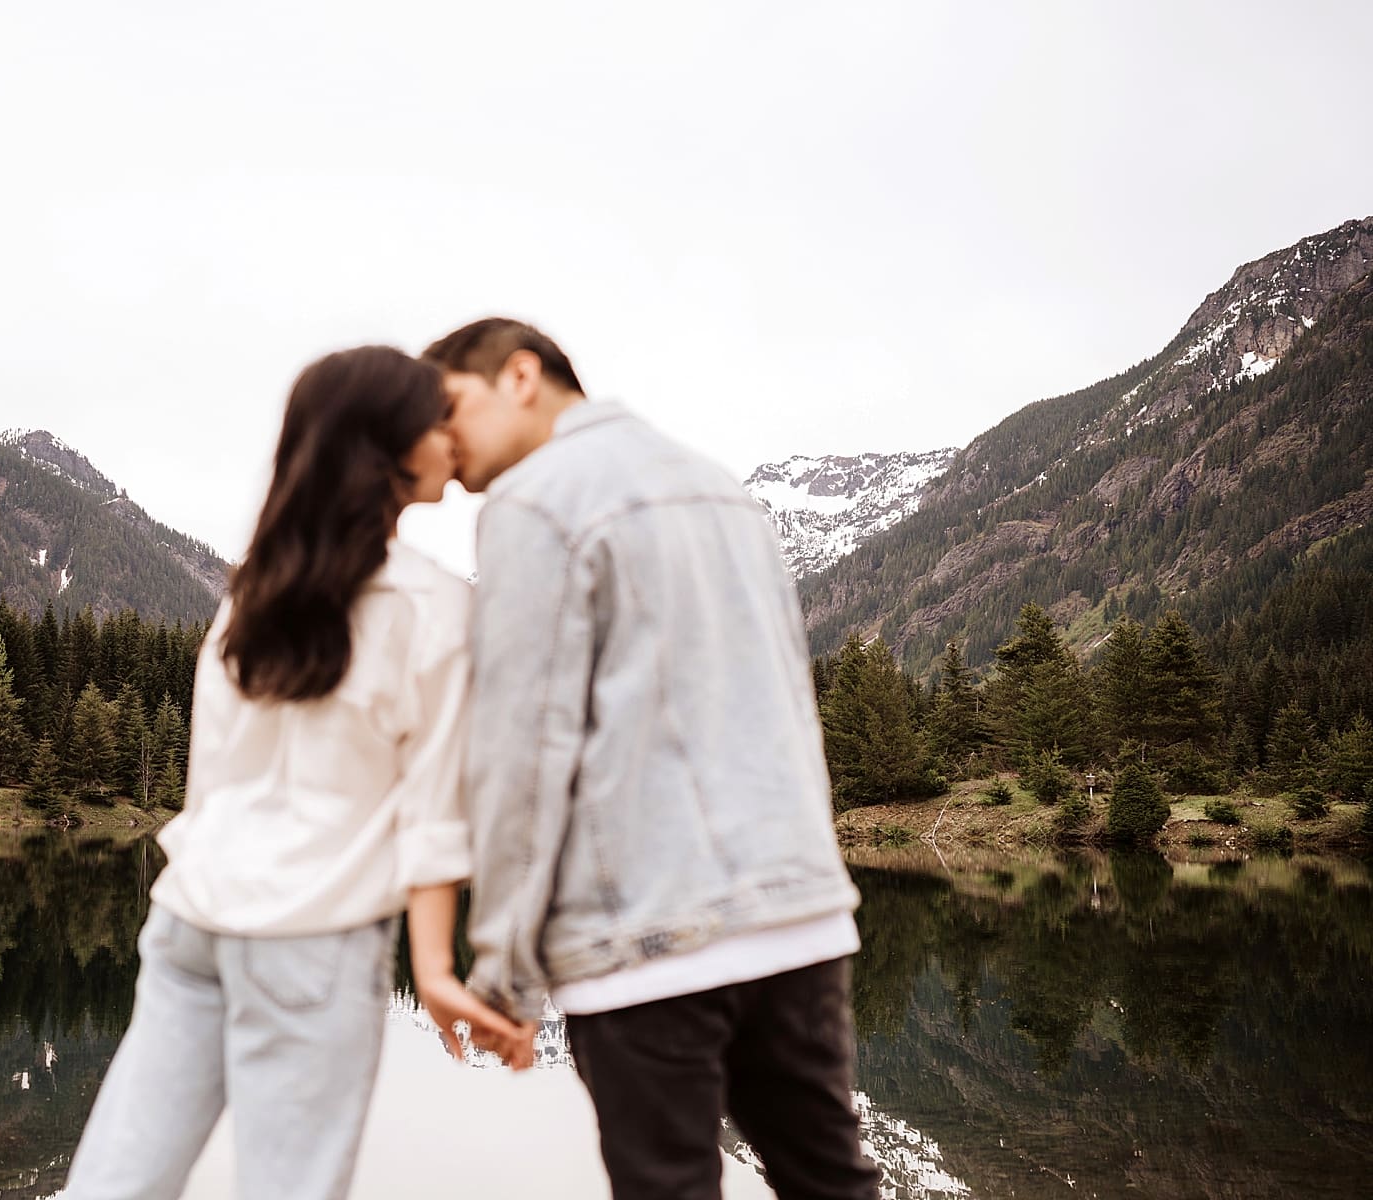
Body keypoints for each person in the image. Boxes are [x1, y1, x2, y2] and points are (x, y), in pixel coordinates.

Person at [425, 318, 882, 1200]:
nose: (442, 445)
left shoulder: (532, 502)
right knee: (832, 1182)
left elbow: (523, 750)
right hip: (799, 920)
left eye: (450, 408)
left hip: (648, 937)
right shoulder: (719, 487)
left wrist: (504, 970)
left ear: (521, 376)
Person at [60, 345, 530, 1200]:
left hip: (190, 923)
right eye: (435, 421)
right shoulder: (434, 608)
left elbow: (211, 785)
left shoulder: (252, 601)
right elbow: (434, 814)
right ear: (386, 448)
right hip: (310, 940)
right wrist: (436, 971)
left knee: (119, 1180)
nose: (451, 437)